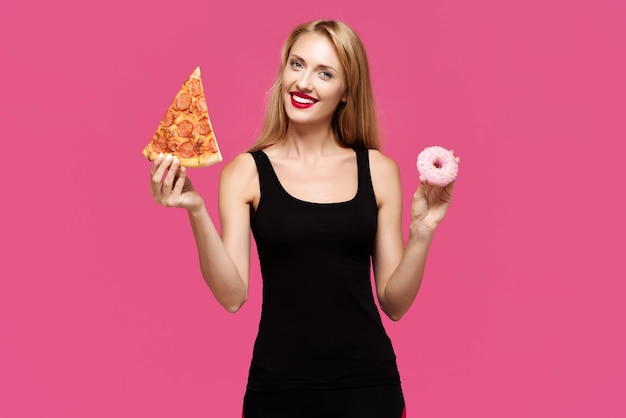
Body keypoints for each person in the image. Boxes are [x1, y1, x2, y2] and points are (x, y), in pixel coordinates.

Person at [150, 19, 454, 418]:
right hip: (279, 389)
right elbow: (232, 296)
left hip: (368, 387)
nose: (304, 83)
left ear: (346, 92)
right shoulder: (246, 172)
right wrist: (195, 209)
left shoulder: (379, 170)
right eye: (297, 65)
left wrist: (423, 231)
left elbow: (394, 304)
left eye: (324, 73)